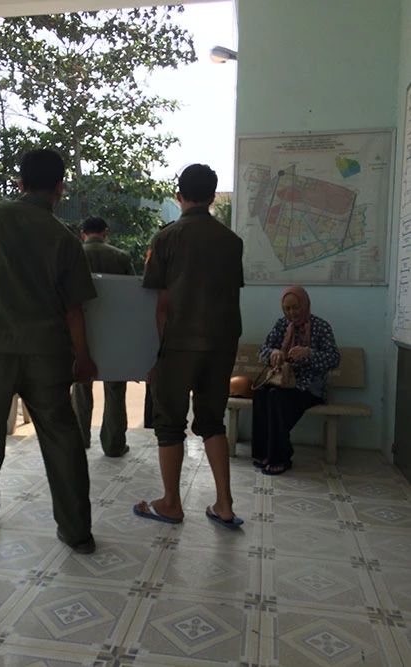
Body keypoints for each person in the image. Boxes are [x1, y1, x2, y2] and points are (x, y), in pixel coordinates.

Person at [0, 148, 98, 554]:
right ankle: (76, 530)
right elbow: (74, 309)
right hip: (47, 354)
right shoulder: (65, 239)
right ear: (60, 188)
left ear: (20, 183)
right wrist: (83, 357)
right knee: (61, 438)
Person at [134, 163, 245, 529]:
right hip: (222, 342)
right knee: (212, 421)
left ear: (178, 195)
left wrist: (156, 354)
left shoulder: (166, 238)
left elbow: (161, 304)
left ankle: (170, 504)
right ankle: (224, 504)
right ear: (213, 197)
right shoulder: (232, 241)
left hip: (179, 343)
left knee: (169, 424)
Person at [252, 285, 340, 475]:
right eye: (287, 308)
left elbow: (334, 359)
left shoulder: (321, 327)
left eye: (295, 307)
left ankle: (280, 457)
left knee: (277, 397)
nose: (292, 313)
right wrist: (273, 353)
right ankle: (264, 452)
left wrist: (309, 353)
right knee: (260, 393)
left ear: (305, 305)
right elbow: (263, 349)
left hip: (310, 387)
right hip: (283, 381)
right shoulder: (282, 325)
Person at [71, 215, 135, 457]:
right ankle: (114, 444)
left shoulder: (73, 256)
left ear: (83, 233)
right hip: (113, 332)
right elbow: (132, 296)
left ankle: (80, 439)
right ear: (105, 232)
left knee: (81, 387)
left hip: (80, 331)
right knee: (115, 389)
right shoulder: (121, 258)